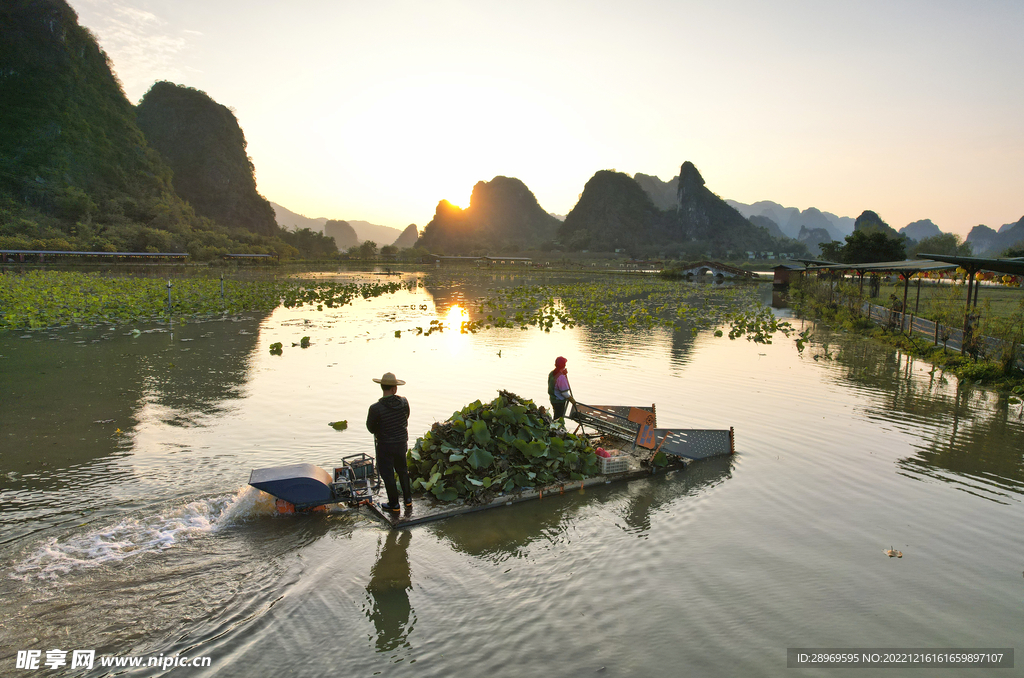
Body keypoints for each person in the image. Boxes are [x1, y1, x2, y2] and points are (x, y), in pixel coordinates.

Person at [366, 372, 412, 513]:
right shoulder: (404, 402)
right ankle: (408, 501)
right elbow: (407, 416)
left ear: (382, 387)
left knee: (387, 474)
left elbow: (370, 428)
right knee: (403, 471)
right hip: (401, 443)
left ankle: (394, 504)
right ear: (395, 389)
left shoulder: (375, 408)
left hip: (385, 445)